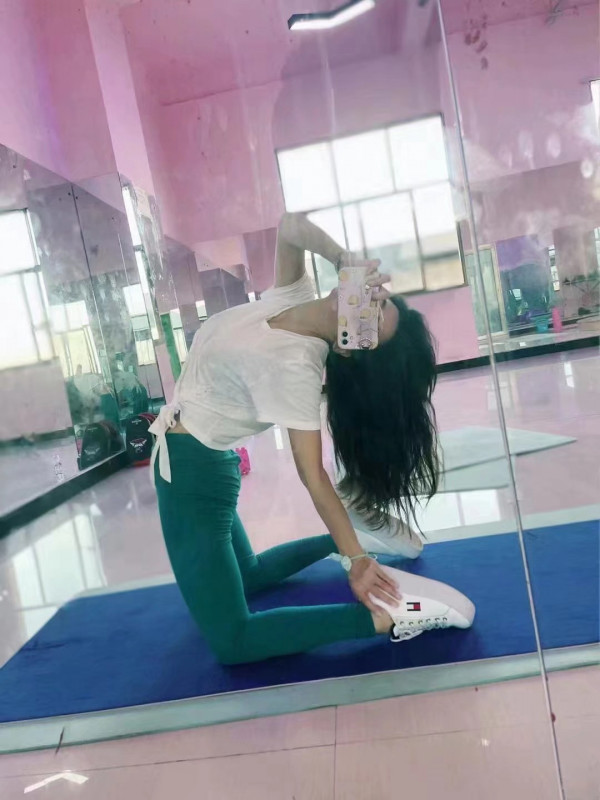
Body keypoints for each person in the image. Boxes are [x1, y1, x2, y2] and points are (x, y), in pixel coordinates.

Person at [150, 213, 472, 665]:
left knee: (233, 640)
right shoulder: (291, 297)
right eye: (381, 301)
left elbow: (311, 473)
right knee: (250, 575)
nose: (370, 302)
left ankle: (386, 618)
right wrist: (343, 258)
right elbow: (290, 227)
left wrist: (355, 564)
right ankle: (348, 534)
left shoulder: (298, 367)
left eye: (373, 318)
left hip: (192, 476)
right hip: (207, 462)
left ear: (349, 348)